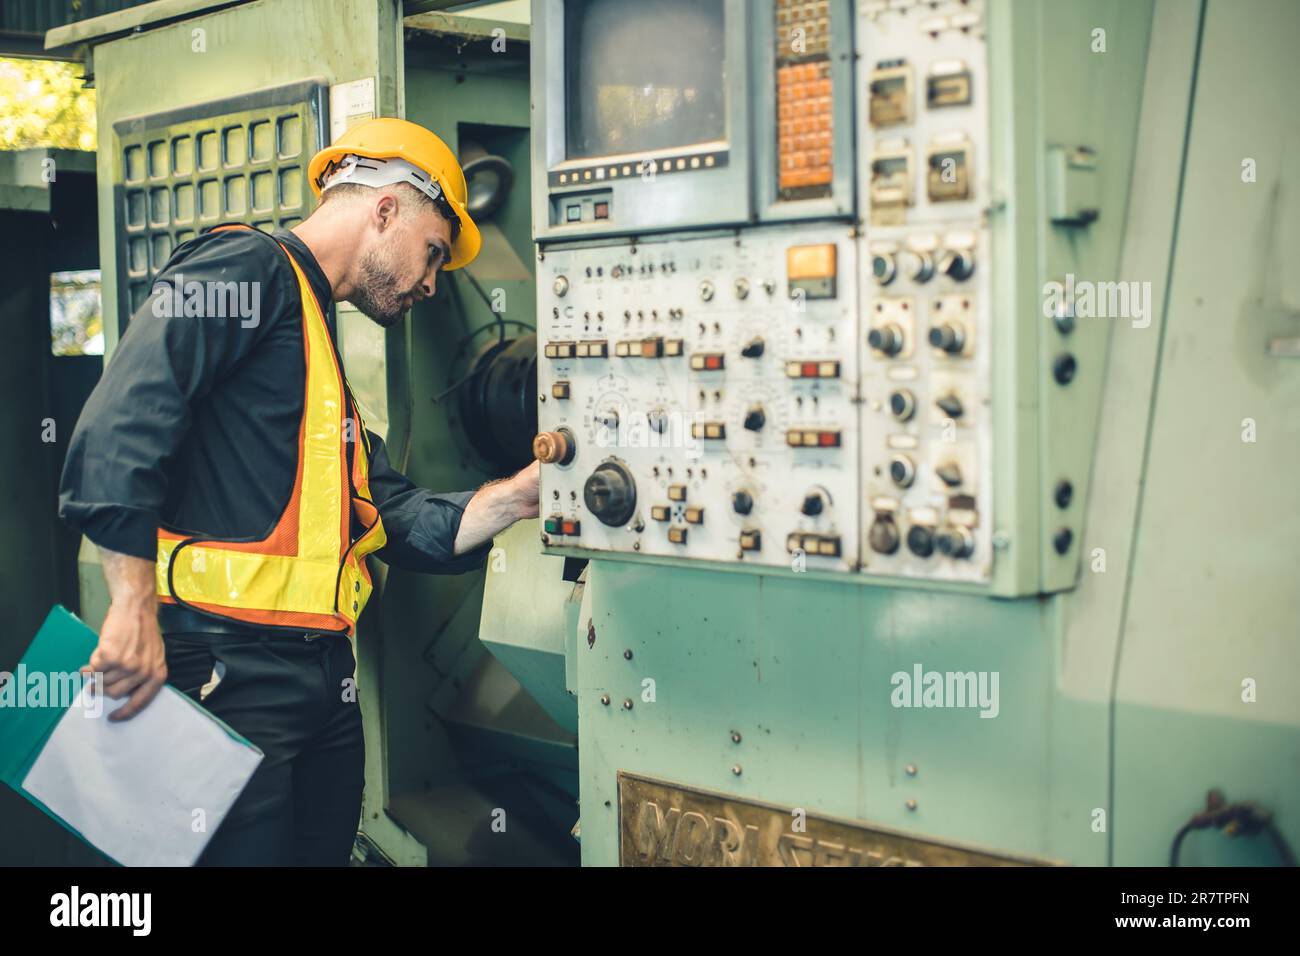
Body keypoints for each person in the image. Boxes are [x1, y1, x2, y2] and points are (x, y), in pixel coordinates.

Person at [57, 117, 539, 865]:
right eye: (432, 253)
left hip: (318, 682)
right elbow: (121, 421)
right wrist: (129, 606)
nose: (429, 283)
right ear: (385, 211)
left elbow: (395, 515)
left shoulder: (315, 341)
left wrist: (520, 497)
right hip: (222, 675)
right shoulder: (244, 269)